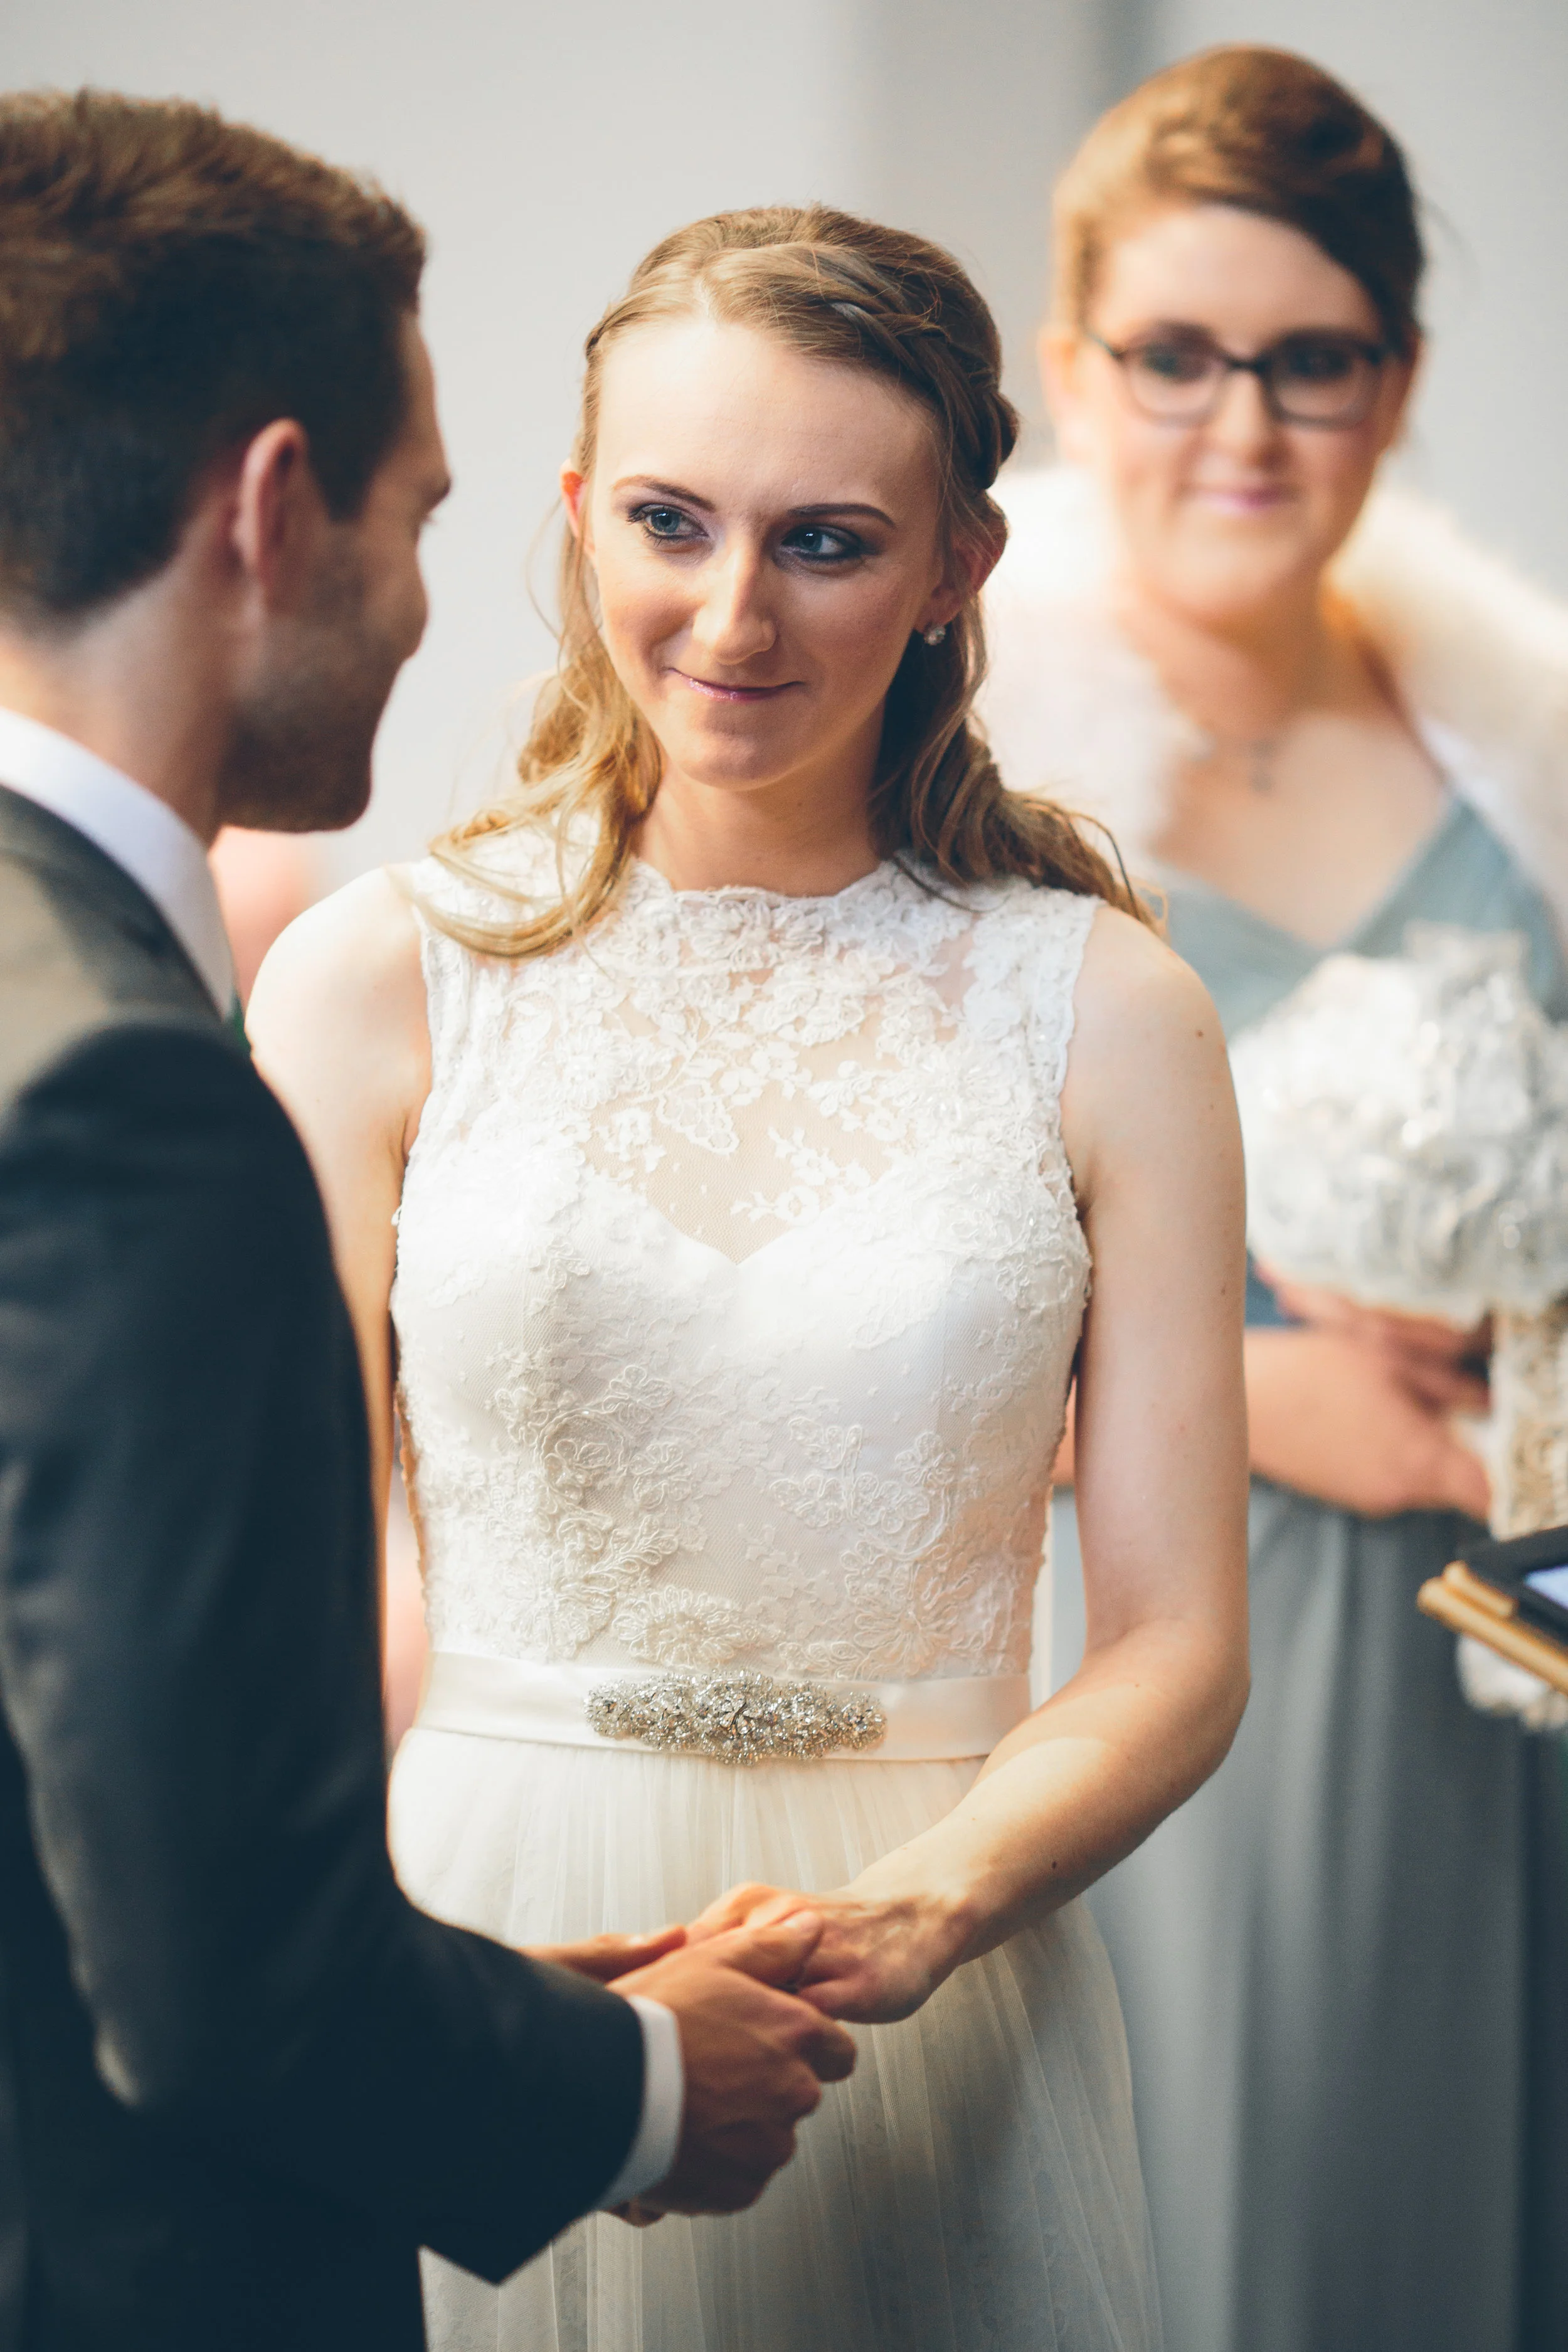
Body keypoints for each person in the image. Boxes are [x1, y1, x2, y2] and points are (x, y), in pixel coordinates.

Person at [250, 203, 1250, 2352]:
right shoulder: (369, 987)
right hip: (491, 1939)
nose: (727, 615)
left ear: (956, 570)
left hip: (928, 1963)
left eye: (823, 542)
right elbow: (277, 1605)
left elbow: (1175, 1640)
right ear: (576, 510)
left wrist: (925, 1908)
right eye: (666, 521)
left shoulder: (1110, 1011)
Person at [0, 92, 857, 2352]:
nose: (421, 608)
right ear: (275, 510)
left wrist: (452, 1996)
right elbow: (215, 1982)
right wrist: (642, 2081)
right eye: (421, 518)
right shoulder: (123, 1098)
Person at [981, 45, 1568, 2352]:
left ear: (1396, 381)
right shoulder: (953, 756)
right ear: (1068, 369)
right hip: (1117, 1629)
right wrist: (1243, 1394)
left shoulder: (1513, 756)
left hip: (1496, 1631)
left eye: (1311, 360)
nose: (1244, 426)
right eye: (1175, 355)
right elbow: (803, 1292)